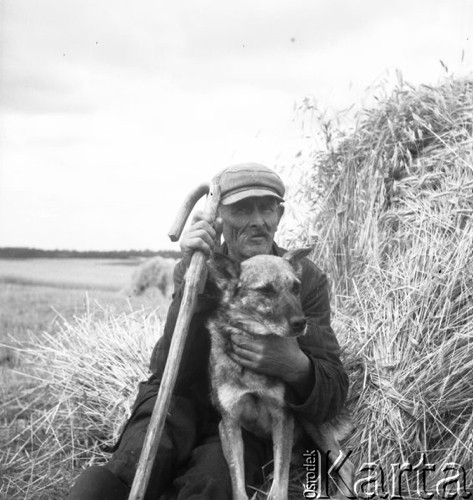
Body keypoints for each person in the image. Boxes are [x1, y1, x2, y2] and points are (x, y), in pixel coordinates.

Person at [67, 163, 349, 500]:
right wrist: (195, 283)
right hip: (180, 401)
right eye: (242, 209)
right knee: (132, 469)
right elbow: (167, 367)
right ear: (219, 217)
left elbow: (332, 389)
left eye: (267, 207)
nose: (258, 220)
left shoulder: (304, 279)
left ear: (279, 214)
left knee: (211, 485)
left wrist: (294, 364)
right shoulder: (195, 266)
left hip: (249, 419)